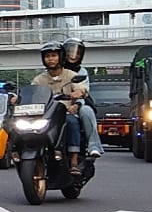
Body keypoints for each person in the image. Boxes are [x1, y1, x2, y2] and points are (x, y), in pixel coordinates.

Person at [31, 40, 86, 175]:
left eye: (53, 55)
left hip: (65, 113)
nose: (50, 59)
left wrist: (77, 93)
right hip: (46, 115)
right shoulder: (39, 79)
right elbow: (32, 92)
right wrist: (18, 98)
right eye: (47, 56)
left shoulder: (71, 75)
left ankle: (73, 161)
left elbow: (81, 88)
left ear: (61, 57)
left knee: (72, 122)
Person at [62, 37, 103, 158]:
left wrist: (77, 104)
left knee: (86, 111)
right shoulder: (53, 71)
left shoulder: (82, 71)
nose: (74, 55)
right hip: (56, 106)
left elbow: (82, 91)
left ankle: (94, 146)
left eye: (78, 53)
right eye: (70, 51)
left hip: (77, 104)